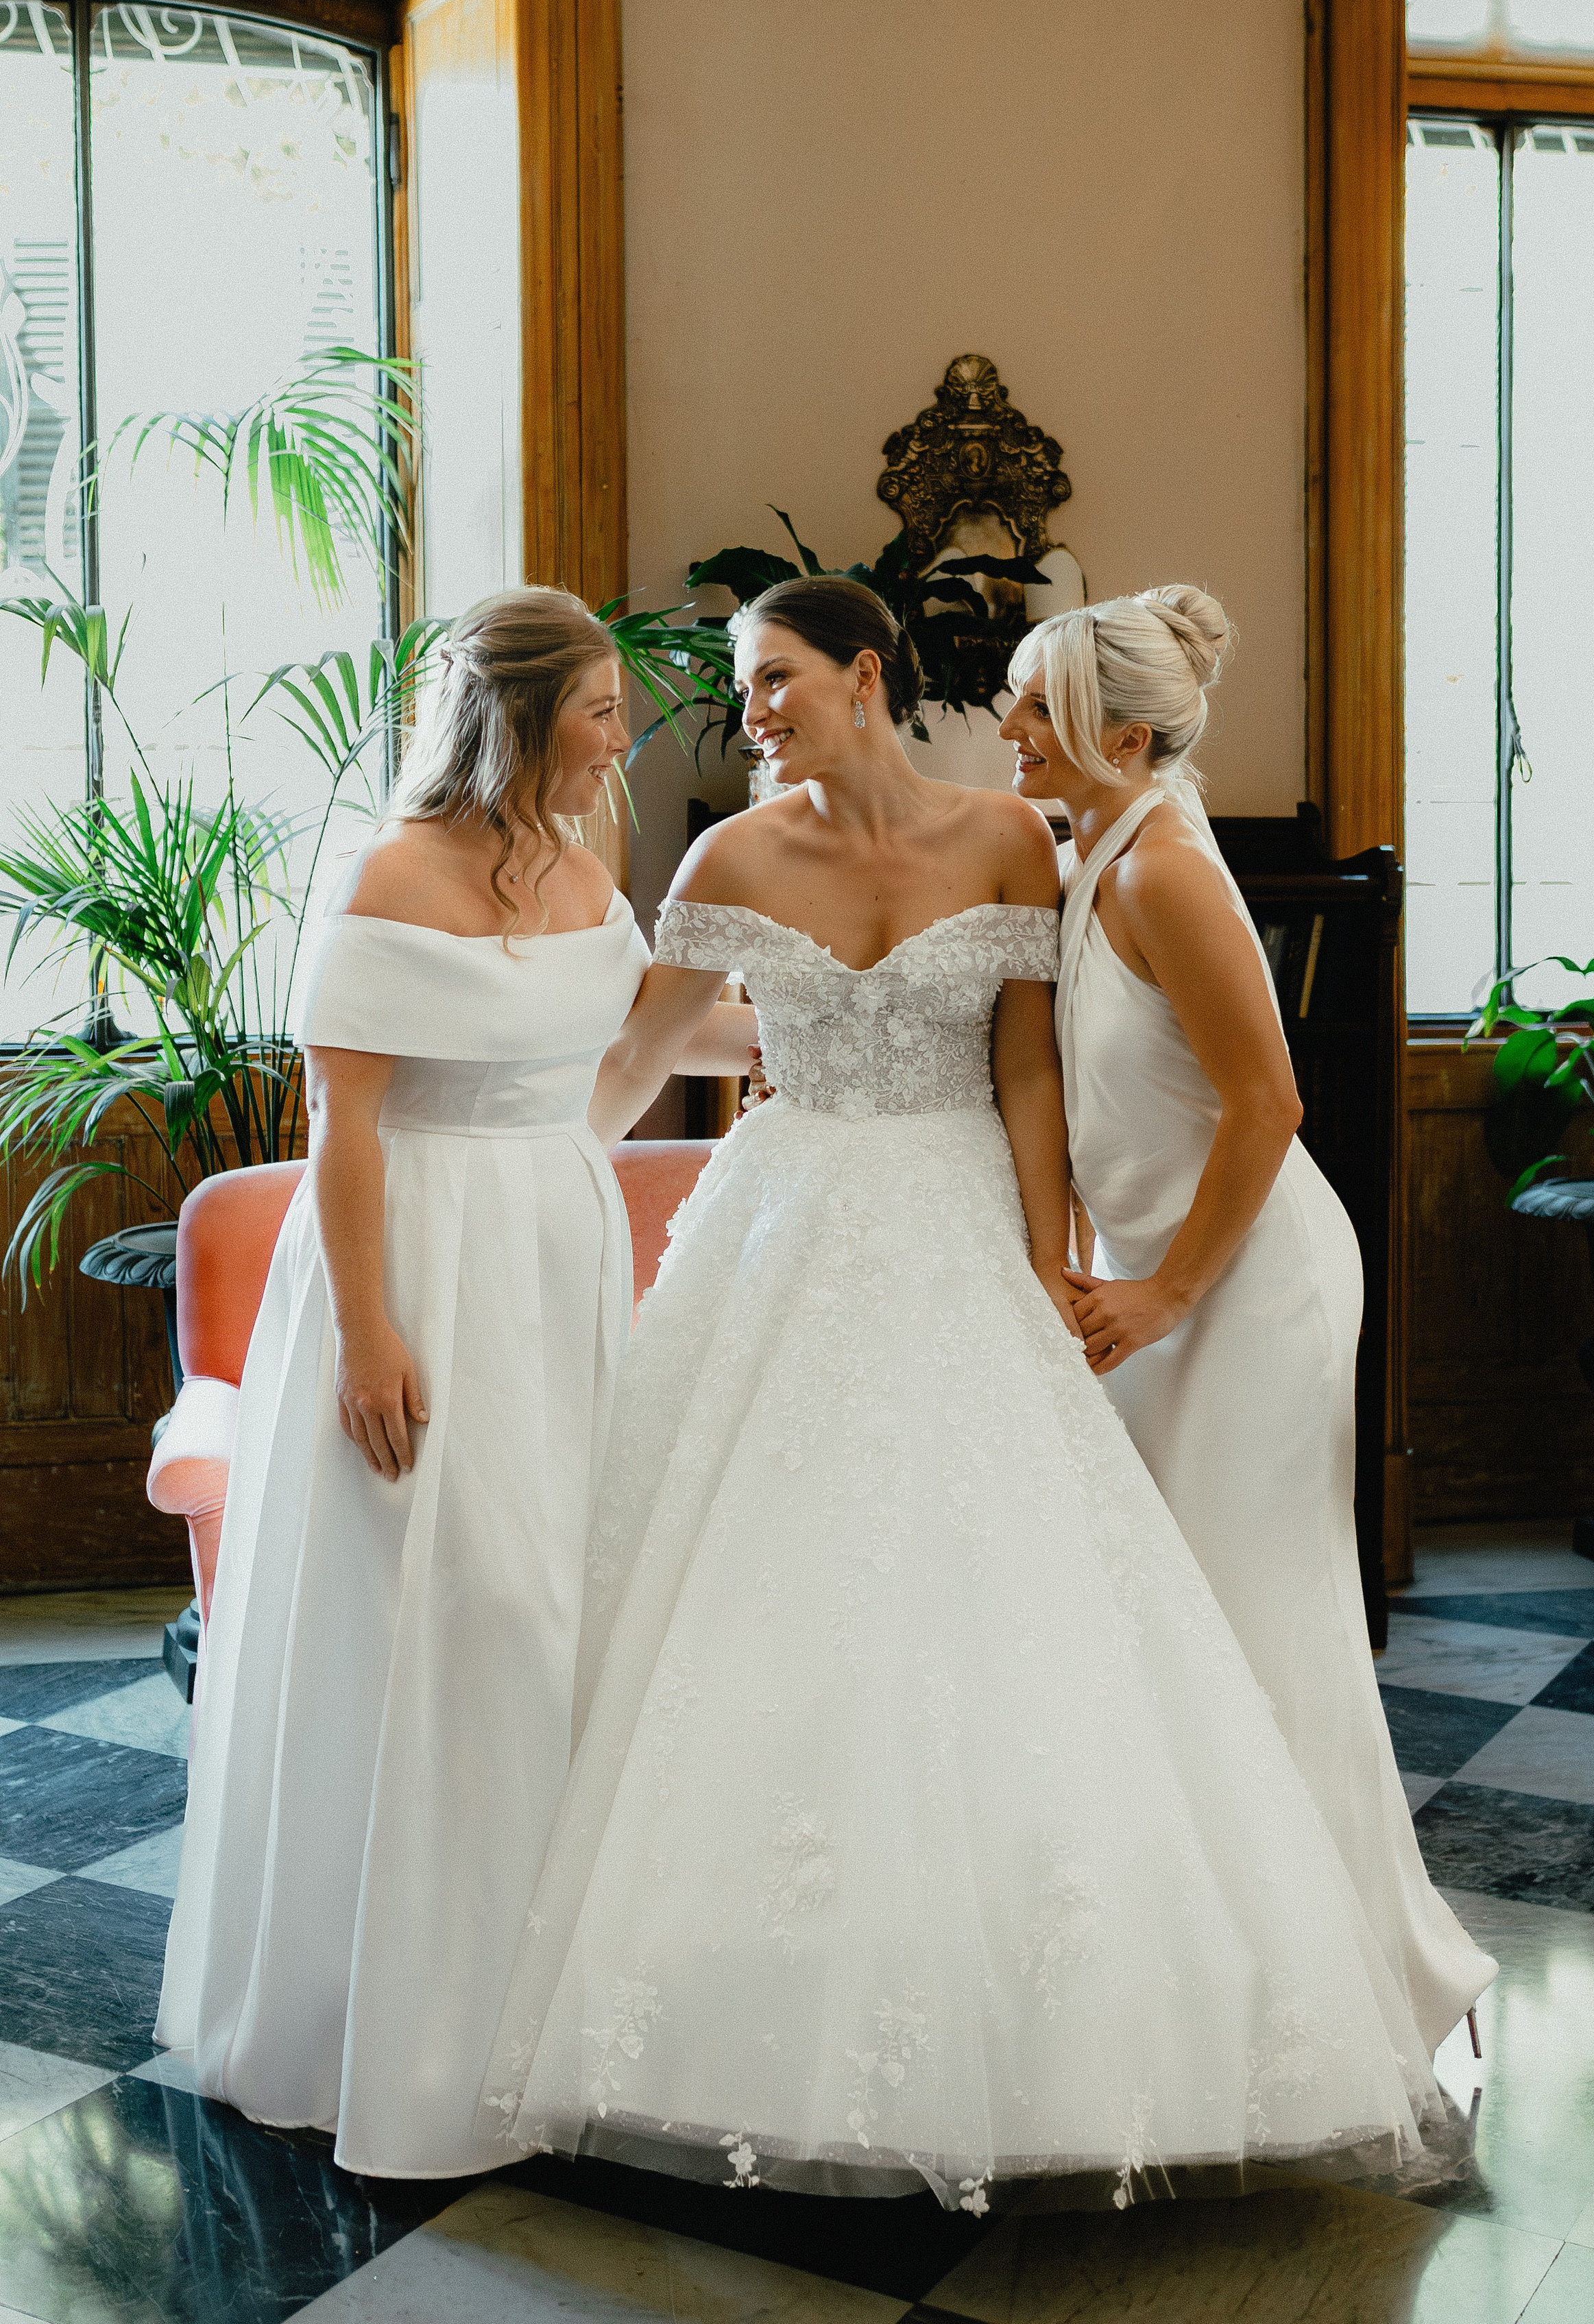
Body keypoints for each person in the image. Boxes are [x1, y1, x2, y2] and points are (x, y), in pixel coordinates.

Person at [478, 574, 1450, 2210]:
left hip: (951, 1227)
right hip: (780, 1229)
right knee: (759, 1591)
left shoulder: (1015, 847)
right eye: (742, 685)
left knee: (1003, 1587)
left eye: (775, 677)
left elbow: (1023, 1069)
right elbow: (641, 1060)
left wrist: (1039, 1256)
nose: (752, 709)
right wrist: (511, 1191)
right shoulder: (725, 856)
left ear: (864, 676)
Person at [156, 585, 751, 2178]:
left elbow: (613, 1071)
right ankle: (381, 2013)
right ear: (521, 714)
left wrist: (805, 1026)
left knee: (553, 1602)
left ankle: (531, 2002)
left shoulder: (585, 866)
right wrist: (368, 1331)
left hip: (551, 1249)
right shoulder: (394, 870)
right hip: (411, 1246)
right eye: (601, 708)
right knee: (437, 1600)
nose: (625, 733)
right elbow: (343, 1122)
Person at [1000, 585, 1495, 2057]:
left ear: (1129, 733)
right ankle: (1199, 1959)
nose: (1009, 727)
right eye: (1018, 697)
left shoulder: (1165, 875)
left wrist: (1163, 1289)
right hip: (1163, 1282)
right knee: (1171, 1620)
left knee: (1251, 1618)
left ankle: (1344, 1983)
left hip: (1244, 1290)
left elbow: (1270, 1105)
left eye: (1039, 705)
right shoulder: (1086, 851)